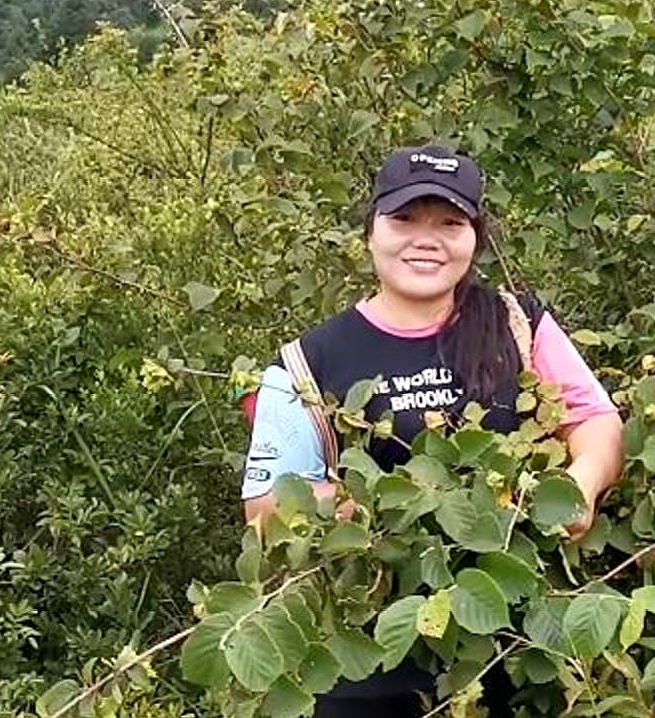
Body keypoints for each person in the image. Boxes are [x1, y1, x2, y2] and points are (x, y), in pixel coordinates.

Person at [240, 142, 626, 717]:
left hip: (516, 652)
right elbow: (268, 511)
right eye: (405, 219)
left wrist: (581, 486)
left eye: (450, 222)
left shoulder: (517, 324)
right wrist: (412, 504)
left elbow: (596, 421)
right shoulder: (306, 364)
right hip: (366, 669)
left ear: (476, 237)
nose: (427, 238)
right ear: (371, 229)